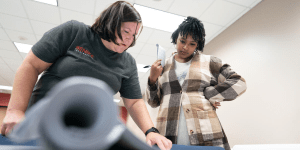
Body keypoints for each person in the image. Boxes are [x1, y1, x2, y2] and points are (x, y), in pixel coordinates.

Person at [1, 1, 172, 150]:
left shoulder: (127, 63)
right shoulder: (74, 32)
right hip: (41, 125)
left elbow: (134, 102)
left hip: (86, 134)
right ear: (110, 23)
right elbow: (30, 66)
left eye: (134, 34)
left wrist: (151, 131)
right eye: (126, 31)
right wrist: (15, 111)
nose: (130, 39)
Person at [145, 16, 247, 150]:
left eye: (192, 44)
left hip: (207, 137)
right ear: (176, 38)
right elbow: (153, 102)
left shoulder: (210, 62)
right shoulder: (162, 65)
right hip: (168, 136)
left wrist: (211, 94)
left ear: (198, 45)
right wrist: (152, 79)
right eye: (182, 41)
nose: (185, 47)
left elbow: (239, 83)